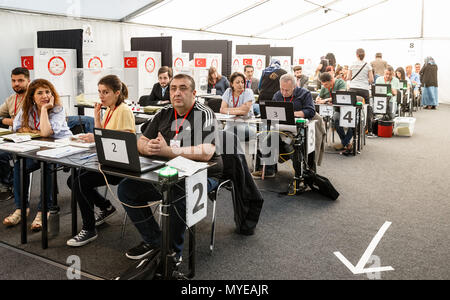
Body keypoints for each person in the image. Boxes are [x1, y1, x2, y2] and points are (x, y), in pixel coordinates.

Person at [117, 74, 223, 261]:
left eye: (183, 88)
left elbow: (206, 152)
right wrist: (146, 147)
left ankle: (172, 253)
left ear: (193, 93)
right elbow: (141, 141)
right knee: (126, 189)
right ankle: (155, 241)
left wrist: (167, 151)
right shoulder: (163, 112)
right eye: (173, 88)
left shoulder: (204, 113)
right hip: (167, 170)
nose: (177, 93)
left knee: (177, 192)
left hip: (203, 173)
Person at [65, 75, 135, 247]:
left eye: (106, 92)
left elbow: (124, 140)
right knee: (72, 180)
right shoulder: (110, 109)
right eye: (99, 92)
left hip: (121, 165)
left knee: (80, 183)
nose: (101, 96)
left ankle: (89, 229)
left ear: (117, 93)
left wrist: (96, 139)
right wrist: (97, 116)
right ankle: (106, 206)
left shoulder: (123, 110)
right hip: (108, 159)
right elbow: (101, 134)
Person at [3, 79, 72, 230]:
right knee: (19, 165)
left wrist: (44, 110)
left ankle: (43, 210)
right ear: (32, 97)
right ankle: (21, 209)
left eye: (47, 92)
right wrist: (36, 131)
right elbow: (16, 127)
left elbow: (46, 132)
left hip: (63, 150)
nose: (44, 96)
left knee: (47, 164)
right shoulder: (28, 108)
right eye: (39, 93)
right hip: (39, 149)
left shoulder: (57, 109)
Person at [252, 74, 315, 179]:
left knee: (290, 143)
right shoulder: (277, 95)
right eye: (282, 89)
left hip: (298, 127)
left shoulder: (304, 94)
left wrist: (292, 113)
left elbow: (311, 111)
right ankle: (269, 171)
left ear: (294, 87)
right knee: (267, 140)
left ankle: (299, 173)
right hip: (280, 127)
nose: (284, 93)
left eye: (287, 90)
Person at [0, 67, 30, 194]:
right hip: (14, 138)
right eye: (13, 81)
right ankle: (9, 181)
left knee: (0, 155)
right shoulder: (11, 99)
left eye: (20, 80)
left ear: (28, 81)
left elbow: (26, 122)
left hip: (29, 141)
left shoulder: (34, 97)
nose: (16, 84)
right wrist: (6, 120)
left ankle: (9, 183)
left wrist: (5, 121)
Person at [315, 72, 351, 153]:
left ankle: (344, 143)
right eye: (323, 84)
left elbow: (340, 96)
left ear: (331, 80)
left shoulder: (340, 82)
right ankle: (346, 143)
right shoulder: (324, 87)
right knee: (335, 119)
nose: (324, 86)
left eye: (326, 84)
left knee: (352, 123)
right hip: (337, 110)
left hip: (347, 108)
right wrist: (318, 98)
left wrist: (325, 100)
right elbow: (320, 95)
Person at [220, 72, 256, 141]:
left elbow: (244, 111)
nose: (241, 85)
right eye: (237, 82)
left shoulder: (248, 92)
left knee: (227, 134)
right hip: (230, 125)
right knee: (221, 133)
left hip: (247, 126)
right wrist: (240, 109)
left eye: (242, 82)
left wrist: (228, 110)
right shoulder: (228, 91)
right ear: (232, 84)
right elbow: (222, 110)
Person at [347, 48, 374, 135]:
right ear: (364, 55)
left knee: (351, 108)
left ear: (356, 55)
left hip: (353, 88)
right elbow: (371, 79)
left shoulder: (352, 64)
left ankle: (351, 127)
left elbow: (348, 78)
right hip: (364, 89)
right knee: (367, 108)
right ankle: (367, 129)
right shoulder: (368, 65)